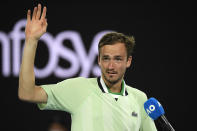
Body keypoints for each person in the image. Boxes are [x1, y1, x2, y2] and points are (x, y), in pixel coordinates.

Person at [18, 3, 157, 131]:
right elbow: (27, 93)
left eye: (118, 59)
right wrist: (31, 41)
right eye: (106, 58)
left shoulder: (140, 99)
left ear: (128, 61)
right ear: (99, 60)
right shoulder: (79, 88)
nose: (111, 66)